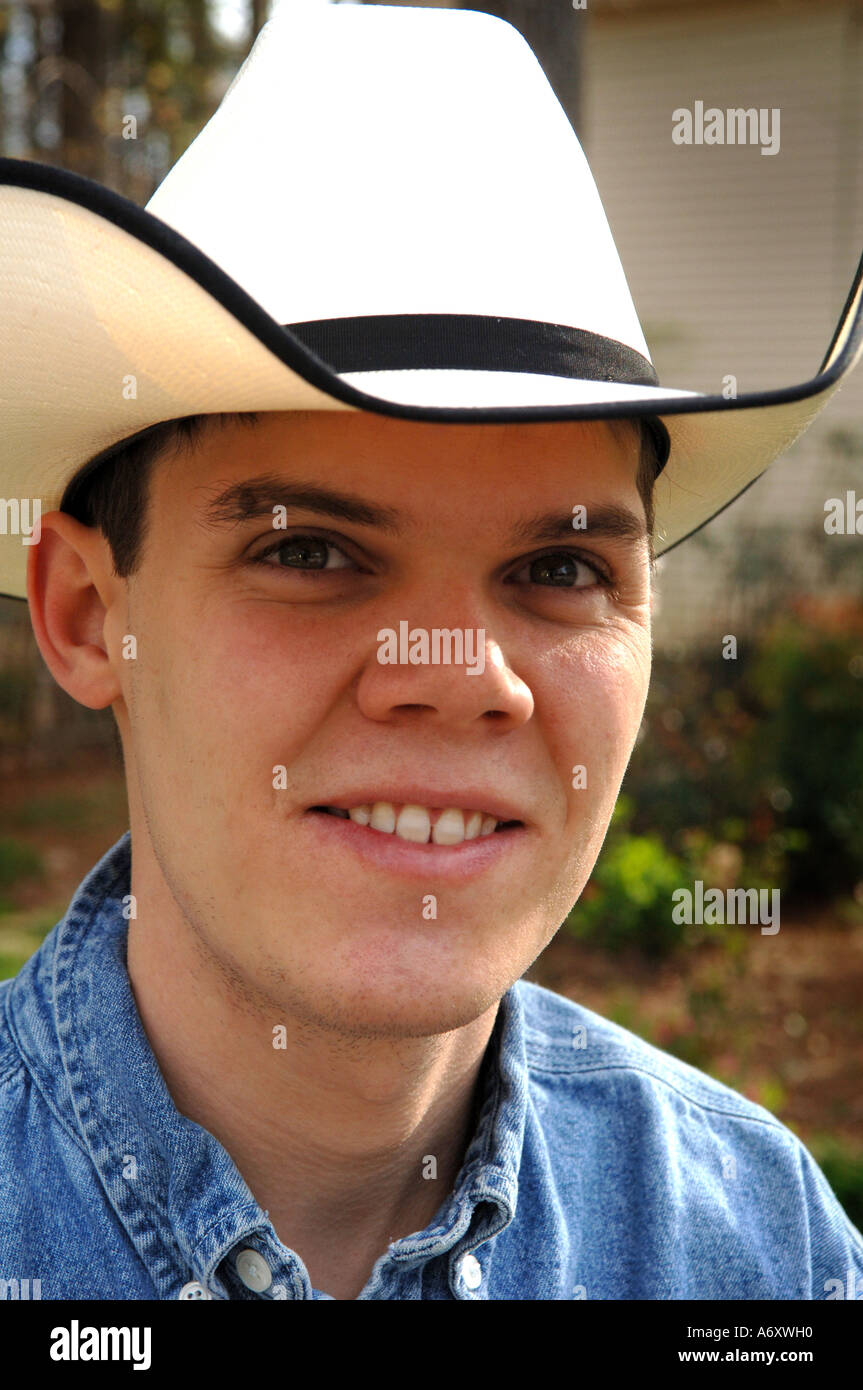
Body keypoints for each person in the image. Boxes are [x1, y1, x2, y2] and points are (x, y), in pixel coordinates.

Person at [1, 3, 861, 1301]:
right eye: (312, 552)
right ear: (82, 612)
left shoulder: (759, 1250)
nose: (463, 671)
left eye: (562, 569)